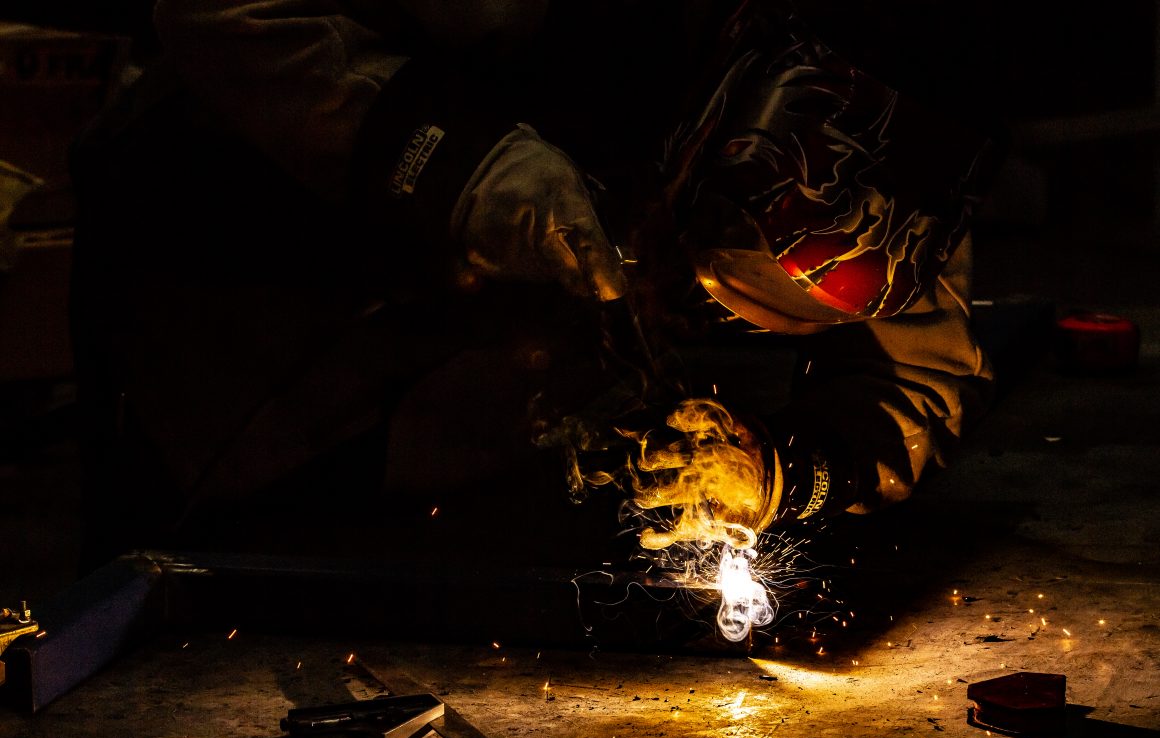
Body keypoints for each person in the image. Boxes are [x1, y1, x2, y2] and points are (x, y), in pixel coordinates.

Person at [67, 0, 1002, 571]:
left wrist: (784, 473)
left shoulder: (902, 140)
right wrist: (451, 163)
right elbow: (218, 13)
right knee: (170, 609)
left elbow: (920, 373)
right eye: (699, 276)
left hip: (453, 390)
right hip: (230, 264)